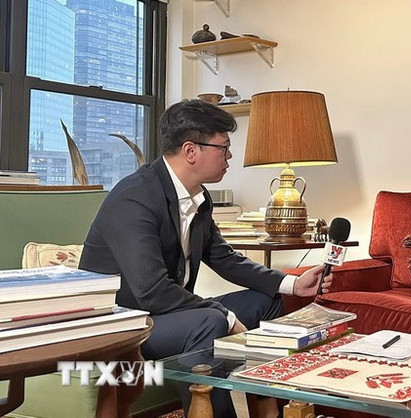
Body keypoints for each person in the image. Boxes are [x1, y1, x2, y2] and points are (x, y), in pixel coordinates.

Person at [79, 99, 332, 417]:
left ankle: (269, 408)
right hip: (124, 325)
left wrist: (292, 283)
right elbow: (151, 290)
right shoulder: (135, 198)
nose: (229, 156)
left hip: (162, 316)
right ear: (190, 151)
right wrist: (225, 316)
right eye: (223, 147)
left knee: (265, 303)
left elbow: (223, 257)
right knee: (211, 320)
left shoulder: (198, 196)